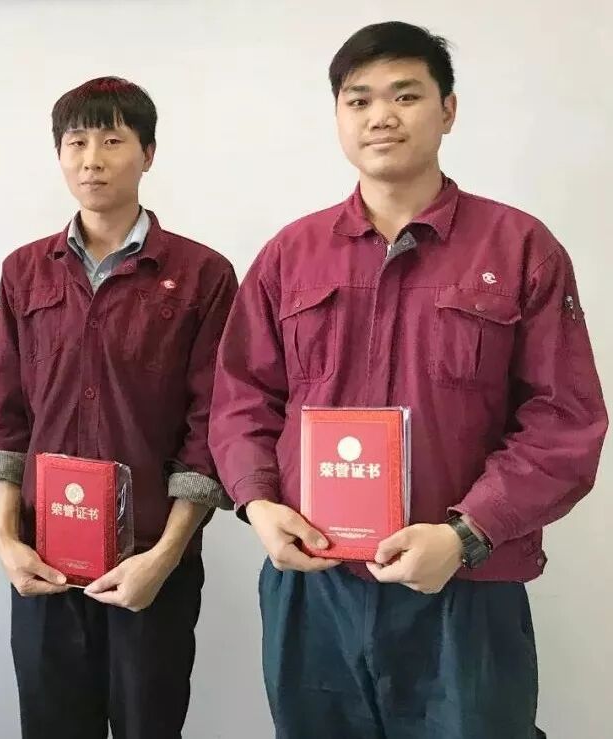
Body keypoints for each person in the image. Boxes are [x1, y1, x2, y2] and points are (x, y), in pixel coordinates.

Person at [209, 21, 607, 739]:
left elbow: (563, 421)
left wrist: (466, 533)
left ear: (447, 110)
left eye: (405, 95)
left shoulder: (520, 248)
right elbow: (241, 398)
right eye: (358, 100)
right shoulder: (290, 255)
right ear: (338, 116)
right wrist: (257, 503)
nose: (380, 116)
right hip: (315, 588)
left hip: (464, 588)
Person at [0, 76, 238, 739]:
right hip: (44, 556)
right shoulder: (24, 271)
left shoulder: (202, 274)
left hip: (150, 559)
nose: (92, 159)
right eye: (77, 142)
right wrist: (6, 537)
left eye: (112, 141)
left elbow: (209, 426)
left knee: (150, 723)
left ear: (148, 153)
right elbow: (6, 415)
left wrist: (166, 555)